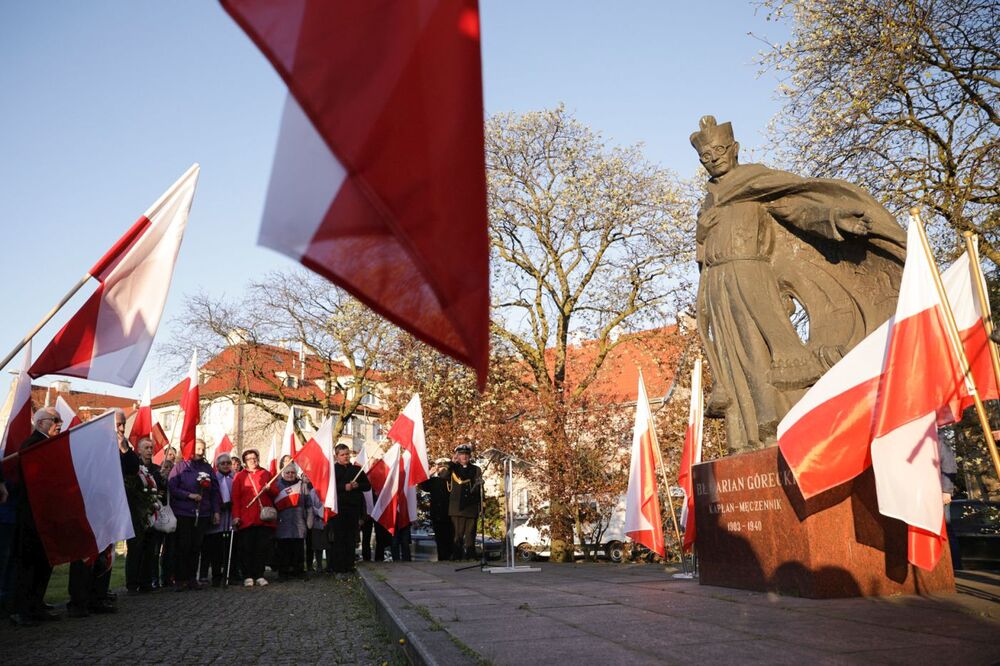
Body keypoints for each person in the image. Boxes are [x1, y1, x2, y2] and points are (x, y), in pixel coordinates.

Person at [689, 115, 906, 450]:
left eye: (718, 150)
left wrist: (834, 219)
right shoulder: (709, 200)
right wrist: (703, 231)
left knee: (766, 351)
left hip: (751, 276)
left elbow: (796, 210)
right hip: (718, 284)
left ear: (734, 149)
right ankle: (745, 440)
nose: (713, 158)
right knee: (734, 360)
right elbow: (702, 253)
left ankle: (782, 428)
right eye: (705, 156)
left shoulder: (754, 184)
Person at [69, 410, 136, 617]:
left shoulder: (121, 446)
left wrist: (125, 449)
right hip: (89, 507)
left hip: (109, 507)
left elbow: (133, 468)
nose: (122, 429)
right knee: (85, 555)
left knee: (106, 554)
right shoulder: (91, 444)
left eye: (123, 424)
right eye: (118, 424)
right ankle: (79, 601)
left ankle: (99, 596)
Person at [10, 408, 62, 627]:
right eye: (55, 420)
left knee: (43, 563)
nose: (59, 424)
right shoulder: (33, 446)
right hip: (32, 517)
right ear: (41, 423)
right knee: (30, 564)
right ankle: (24, 610)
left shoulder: (49, 445)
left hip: (46, 516)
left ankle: (36, 605)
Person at [168, 438, 221, 591]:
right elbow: (172, 487)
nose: (200, 452)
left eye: (203, 449)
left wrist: (216, 510)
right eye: (197, 449)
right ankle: (180, 578)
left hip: (202, 513)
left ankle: (192, 577)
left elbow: (214, 491)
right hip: (184, 513)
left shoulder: (208, 468)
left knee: (196, 546)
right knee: (183, 546)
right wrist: (188, 495)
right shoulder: (180, 467)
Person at [231, 449, 275, 586]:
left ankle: (259, 574)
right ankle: (248, 575)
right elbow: (235, 498)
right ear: (245, 462)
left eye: (254, 458)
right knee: (247, 548)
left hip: (263, 518)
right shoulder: (239, 476)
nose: (252, 460)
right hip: (246, 518)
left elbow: (276, 493)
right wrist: (236, 516)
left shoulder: (266, 474)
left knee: (261, 548)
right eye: (249, 459)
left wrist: (270, 489)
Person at [125, 436, 164, 593]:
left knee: (150, 550)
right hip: (137, 515)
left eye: (151, 448)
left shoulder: (155, 469)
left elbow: (161, 489)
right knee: (135, 549)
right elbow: (131, 488)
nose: (149, 450)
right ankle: (132, 584)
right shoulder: (135, 468)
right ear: (139, 450)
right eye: (146, 448)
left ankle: (146, 582)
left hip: (152, 514)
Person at [329, 444, 370, 575]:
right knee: (339, 539)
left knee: (351, 538)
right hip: (339, 509)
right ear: (337, 456)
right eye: (343, 454)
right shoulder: (333, 470)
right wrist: (343, 487)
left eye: (347, 454)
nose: (346, 457)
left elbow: (367, 486)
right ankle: (339, 567)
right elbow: (329, 488)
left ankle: (350, 565)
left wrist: (358, 485)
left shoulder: (357, 469)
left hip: (353, 509)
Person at [199, 452, 237, 587]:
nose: (226, 466)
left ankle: (230, 574)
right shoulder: (214, 478)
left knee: (230, 548)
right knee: (215, 549)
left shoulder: (235, 478)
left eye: (228, 463)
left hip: (231, 517)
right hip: (217, 517)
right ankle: (216, 575)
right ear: (217, 465)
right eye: (223, 463)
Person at [270, 463, 309, 580]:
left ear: (296, 474)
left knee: (298, 548)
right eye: (287, 472)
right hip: (283, 522)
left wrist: (309, 519)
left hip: (299, 521)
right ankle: (283, 572)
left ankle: (299, 571)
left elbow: (308, 503)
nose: (290, 475)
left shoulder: (301, 485)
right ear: (283, 473)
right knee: (283, 549)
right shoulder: (277, 485)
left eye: (292, 472)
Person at [448, 444, 482, 561]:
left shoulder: (476, 469)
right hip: (457, 507)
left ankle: (471, 555)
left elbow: (479, 489)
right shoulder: (452, 468)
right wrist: (452, 463)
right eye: (462, 454)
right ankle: (457, 555)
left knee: (471, 533)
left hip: (471, 506)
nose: (464, 457)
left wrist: (481, 506)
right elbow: (444, 477)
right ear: (457, 456)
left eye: (466, 455)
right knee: (458, 534)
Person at [419, 458, 454, 562]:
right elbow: (423, 485)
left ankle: (451, 557)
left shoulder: (452, 481)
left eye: (444, 468)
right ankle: (442, 559)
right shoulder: (434, 481)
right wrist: (428, 474)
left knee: (451, 538)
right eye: (440, 468)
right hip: (437, 515)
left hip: (450, 514)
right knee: (440, 539)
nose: (442, 470)